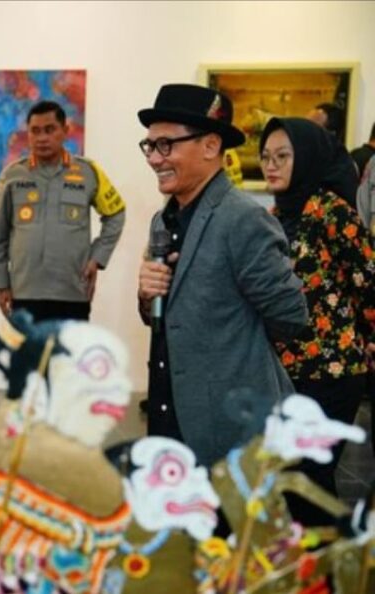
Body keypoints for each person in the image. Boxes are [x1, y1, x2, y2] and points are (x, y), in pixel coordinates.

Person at [136, 83, 307, 467]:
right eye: (149, 146)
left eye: (166, 145)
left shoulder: (242, 219)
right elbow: (168, 318)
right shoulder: (163, 221)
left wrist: (237, 356)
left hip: (230, 426)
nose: (154, 159)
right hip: (169, 417)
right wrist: (146, 298)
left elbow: (291, 316)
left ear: (211, 146)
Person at [258, 116, 375, 523]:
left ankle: (332, 554)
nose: (271, 165)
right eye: (266, 157)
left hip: (331, 370)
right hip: (288, 371)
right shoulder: (276, 214)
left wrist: (367, 336)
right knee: (294, 482)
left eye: (283, 156)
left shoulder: (329, 211)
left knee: (309, 481)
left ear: (306, 157)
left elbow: (368, 278)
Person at [0, 101, 126, 322]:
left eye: (50, 129)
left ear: (65, 130)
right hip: (24, 291)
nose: (42, 138)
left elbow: (116, 213)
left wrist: (97, 258)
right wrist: (1, 282)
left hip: (73, 292)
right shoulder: (12, 175)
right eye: (35, 131)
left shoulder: (89, 172)